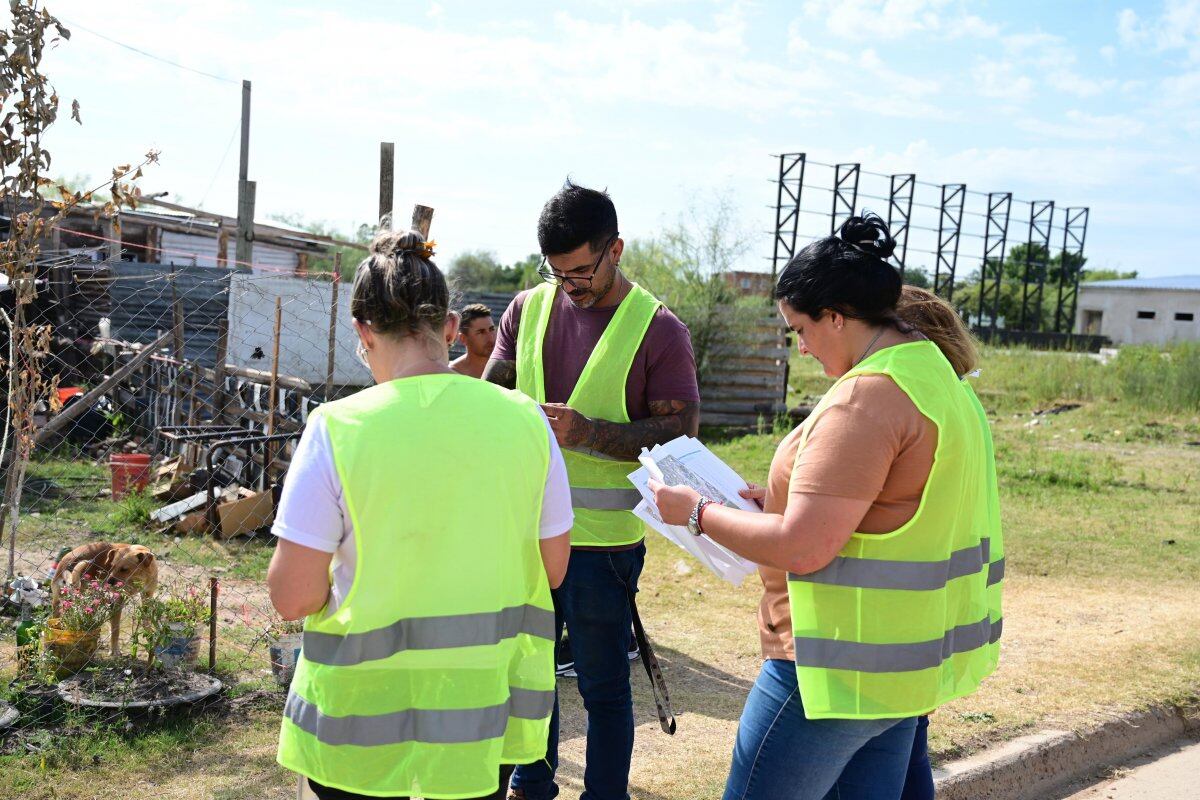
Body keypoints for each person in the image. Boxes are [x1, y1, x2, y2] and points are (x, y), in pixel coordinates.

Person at [649, 213, 1003, 800]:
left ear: (837, 316)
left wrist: (694, 512)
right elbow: (895, 500)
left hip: (832, 666)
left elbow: (803, 547)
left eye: (801, 329)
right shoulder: (935, 374)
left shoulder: (865, 398)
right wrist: (788, 498)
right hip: (899, 666)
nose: (802, 347)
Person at [268, 229, 573, 800]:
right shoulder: (528, 421)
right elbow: (552, 568)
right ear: (451, 327)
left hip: (356, 726)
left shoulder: (336, 428)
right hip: (480, 716)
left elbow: (293, 596)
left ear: (362, 332)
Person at [484, 181, 701, 800]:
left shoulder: (658, 329)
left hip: (602, 546)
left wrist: (588, 432)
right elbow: (492, 390)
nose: (570, 285)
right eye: (557, 273)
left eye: (581, 271)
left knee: (603, 686)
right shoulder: (526, 309)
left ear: (616, 250)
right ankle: (533, 786)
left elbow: (679, 431)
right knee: (530, 679)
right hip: (523, 535)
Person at [451, 303, 498, 378]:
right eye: (481, 332)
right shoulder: (454, 374)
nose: (491, 338)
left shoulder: (508, 368)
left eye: (491, 329)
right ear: (463, 339)